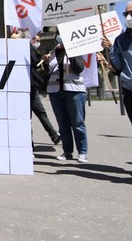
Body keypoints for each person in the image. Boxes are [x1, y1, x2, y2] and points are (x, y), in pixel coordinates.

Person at [102, 0, 132, 184]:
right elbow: (118, 67)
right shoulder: (122, 39)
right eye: (126, 13)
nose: (129, 17)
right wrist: (110, 49)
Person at [43, 31, 87, 163]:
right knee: (63, 125)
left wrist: (71, 53)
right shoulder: (52, 52)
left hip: (74, 91)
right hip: (55, 91)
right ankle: (67, 152)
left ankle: (83, 152)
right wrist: (46, 62)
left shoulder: (75, 50)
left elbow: (79, 68)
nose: (59, 37)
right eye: (58, 34)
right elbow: (49, 71)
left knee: (78, 123)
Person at [27, 32, 61, 145]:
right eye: (36, 40)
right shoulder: (26, 47)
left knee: (41, 112)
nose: (38, 43)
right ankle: (29, 143)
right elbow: (33, 60)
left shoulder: (31, 48)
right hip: (25, 86)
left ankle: (54, 135)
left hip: (32, 86)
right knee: (28, 117)